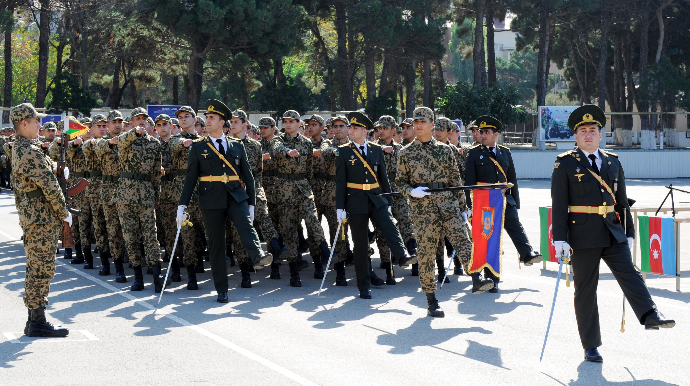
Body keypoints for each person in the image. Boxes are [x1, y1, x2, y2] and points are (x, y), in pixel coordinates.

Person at [551, 105, 675, 362]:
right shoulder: (564, 164)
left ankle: (650, 314)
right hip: (582, 235)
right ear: (575, 136)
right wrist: (559, 238)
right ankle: (590, 344)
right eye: (583, 131)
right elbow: (560, 203)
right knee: (585, 291)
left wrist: (628, 231)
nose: (588, 135)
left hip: (611, 231)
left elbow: (621, 201)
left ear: (600, 134)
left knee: (630, 273)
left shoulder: (612, 161)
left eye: (593, 130)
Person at [397, 107, 490, 317]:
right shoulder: (405, 153)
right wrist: (411, 191)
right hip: (423, 210)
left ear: (432, 124)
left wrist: (463, 207)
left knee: (463, 240)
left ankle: (476, 278)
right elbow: (400, 182)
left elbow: (455, 180)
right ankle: (431, 300)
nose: (418, 125)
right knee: (427, 254)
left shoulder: (445, 150)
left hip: (448, 204)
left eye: (423, 121)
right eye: (415, 121)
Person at [178, 99, 272, 303]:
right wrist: (182, 205)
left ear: (222, 122)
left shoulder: (237, 146)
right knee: (216, 244)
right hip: (210, 198)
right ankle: (222, 288)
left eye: (212, 118)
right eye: (207, 117)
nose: (207, 121)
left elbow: (249, 177)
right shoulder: (197, 147)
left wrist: (252, 203)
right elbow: (190, 178)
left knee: (245, 224)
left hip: (235, 194)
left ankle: (258, 254)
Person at [336, 112, 416, 299]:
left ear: (364, 131)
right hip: (355, 200)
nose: (350, 130)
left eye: (354, 128)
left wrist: (387, 201)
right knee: (361, 245)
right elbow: (340, 181)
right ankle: (364, 285)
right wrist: (340, 207)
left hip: (376, 197)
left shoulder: (375, 149)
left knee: (389, 225)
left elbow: (383, 178)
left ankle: (402, 255)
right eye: (350, 127)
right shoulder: (344, 151)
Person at [10, 103, 70, 337]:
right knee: (41, 269)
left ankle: (33, 319)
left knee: (37, 266)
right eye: (36, 121)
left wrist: (56, 166)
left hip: (36, 216)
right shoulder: (29, 151)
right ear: (23, 124)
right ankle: (37, 321)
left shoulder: (26, 148)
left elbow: (43, 172)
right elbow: (50, 186)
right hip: (41, 217)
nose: (40, 124)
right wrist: (64, 213)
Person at [464, 116, 542, 291]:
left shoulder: (505, 152)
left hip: (505, 200)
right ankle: (491, 279)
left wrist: (516, 202)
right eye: (481, 132)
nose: (482, 135)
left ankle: (526, 253)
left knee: (515, 226)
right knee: (489, 239)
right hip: (485, 204)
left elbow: (512, 179)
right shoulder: (474, 153)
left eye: (486, 132)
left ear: (495, 134)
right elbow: (469, 183)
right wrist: (469, 207)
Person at [269, 110, 334, 287]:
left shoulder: (306, 143)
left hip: (304, 187)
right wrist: (288, 151)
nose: (287, 124)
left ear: (299, 124)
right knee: (289, 230)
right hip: (285, 189)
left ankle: (324, 250)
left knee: (313, 220)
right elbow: (276, 150)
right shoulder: (278, 140)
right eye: (285, 121)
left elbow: (309, 168)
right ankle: (293, 271)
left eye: (291, 121)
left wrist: (307, 184)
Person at [228, 109, 287, 287]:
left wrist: (256, 188)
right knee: (239, 233)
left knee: (261, 212)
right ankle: (246, 272)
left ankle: (275, 245)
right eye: (231, 121)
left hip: (253, 186)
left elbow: (258, 172)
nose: (232, 124)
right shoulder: (227, 145)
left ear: (245, 124)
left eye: (236, 121)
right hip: (234, 189)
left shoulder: (255, 146)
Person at [112, 107, 164, 292]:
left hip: (146, 195)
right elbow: (120, 141)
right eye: (137, 119)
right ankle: (138, 277)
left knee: (151, 236)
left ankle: (157, 275)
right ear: (131, 122)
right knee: (131, 238)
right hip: (126, 196)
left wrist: (156, 195)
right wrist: (134, 133)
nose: (141, 121)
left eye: (144, 119)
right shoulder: (126, 140)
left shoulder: (154, 144)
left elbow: (157, 172)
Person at [374, 115, 418, 285]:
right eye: (379, 128)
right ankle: (388, 268)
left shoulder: (402, 150)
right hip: (381, 193)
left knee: (406, 223)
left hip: (399, 193)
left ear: (393, 130)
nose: (381, 131)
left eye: (384, 128)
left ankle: (414, 257)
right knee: (383, 229)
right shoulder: (372, 149)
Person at [171, 106, 207, 289]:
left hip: (205, 189)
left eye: (187, 116)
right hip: (184, 190)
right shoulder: (176, 138)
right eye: (180, 117)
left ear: (195, 119)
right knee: (187, 234)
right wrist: (185, 143)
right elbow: (175, 145)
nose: (183, 119)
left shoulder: (204, 139)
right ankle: (191, 275)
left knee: (206, 231)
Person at [95, 112, 127, 283]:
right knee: (112, 230)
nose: (117, 125)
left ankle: (128, 263)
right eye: (113, 122)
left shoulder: (129, 140)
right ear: (108, 125)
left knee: (127, 231)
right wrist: (111, 142)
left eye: (120, 121)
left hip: (127, 190)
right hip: (108, 192)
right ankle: (114, 267)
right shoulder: (102, 142)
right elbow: (99, 148)